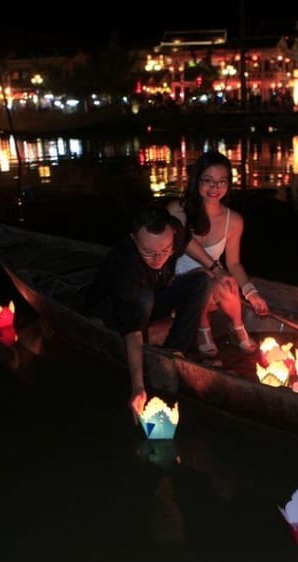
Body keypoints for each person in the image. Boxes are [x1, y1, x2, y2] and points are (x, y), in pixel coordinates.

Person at [86, 203, 233, 415]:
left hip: (153, 295)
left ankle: (173, 351)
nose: (159, 259)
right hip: (114, 309)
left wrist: (216, 270)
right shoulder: (124, 264)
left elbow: (187, 241)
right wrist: (138, 387)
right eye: (148, 252)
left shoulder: (174, 231)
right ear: (134, 239)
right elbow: (132, 332)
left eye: (165, 251)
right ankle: (152, 359)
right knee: (144, 299)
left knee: (201, 280)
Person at [166, 150, 269, 358]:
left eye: (222, 181)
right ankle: (204, 330)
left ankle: (238, 327)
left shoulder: (234, 220)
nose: (215, 188)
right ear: (197, 181)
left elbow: (234, 263)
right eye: (208, 181)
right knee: (205, 279)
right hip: (174, 284)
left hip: (211, 282)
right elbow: (184, 241)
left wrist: (250, 292)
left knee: (226, 281)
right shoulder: (177, 210)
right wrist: (216, 271)